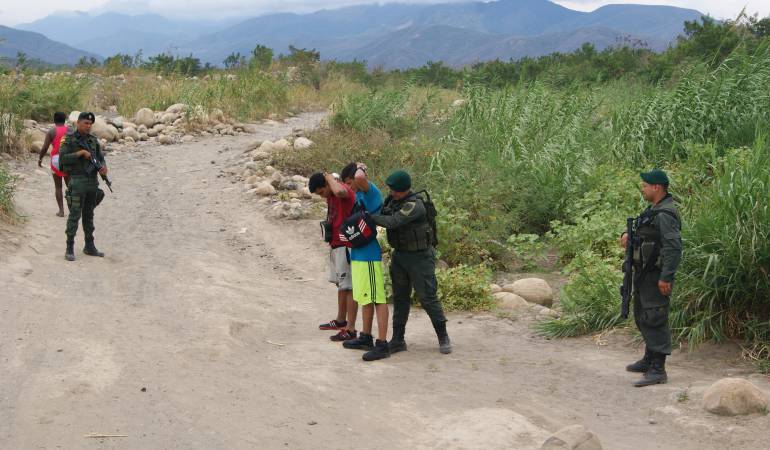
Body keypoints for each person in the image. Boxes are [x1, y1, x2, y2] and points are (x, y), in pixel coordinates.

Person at [369, 170, 451, 355]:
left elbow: (393, 221)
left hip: (420, 258)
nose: (391, 193)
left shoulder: (415, 205)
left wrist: (370, 217)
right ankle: (398, 340)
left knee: (428, 298)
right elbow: (384, 212)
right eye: (390, 190)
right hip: (400, 256)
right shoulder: (393, 200)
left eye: (394, 190)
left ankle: (443, 336)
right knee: (400, 299)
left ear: (404, 189)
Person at [620, 169, 682, 387]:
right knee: (643, 315)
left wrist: (666, 277)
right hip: (643, 274)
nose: (643, 188)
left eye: (645, 185)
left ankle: (658, 369)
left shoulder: (666, 213)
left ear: (656, 187)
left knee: (655, 317)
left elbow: (674, 248)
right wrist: (627, 235)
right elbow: (646, 232)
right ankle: (649, 359)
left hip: (656, 275)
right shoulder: (654, 209)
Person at [339, 162, 390, 361]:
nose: (350, 186)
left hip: (369, 256)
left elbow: (360, 178)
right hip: (359, 255)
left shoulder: (370, 191)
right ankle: (366, 337)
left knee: (378, 299)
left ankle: (382, 343)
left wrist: (361, 167)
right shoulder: (358, 195)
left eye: (350, 182)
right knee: (366, 298)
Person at [309, 171, 358, 341]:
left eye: (322, 192)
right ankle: (340, 320)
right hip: (336, 245)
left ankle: (350, 328)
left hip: (346, 246)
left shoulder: (341, 190)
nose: (322, 197)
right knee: (341, 285)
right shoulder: (330, 195)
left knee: (350, 287)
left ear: (327, 185)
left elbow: (339, 192)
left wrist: (328, 177)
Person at [58, 112, 109, 261]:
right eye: (85, 123)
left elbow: (100, 158)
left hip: (92, 182)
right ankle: (69, 247)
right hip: (77, 181)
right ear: (78, 123)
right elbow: (62, 159)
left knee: (89, 215)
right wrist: (79, 153)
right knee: (74, 215)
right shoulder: (69, 139)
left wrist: (103, 168)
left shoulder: (93, 141)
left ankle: (89, 246)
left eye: (90, 124)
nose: (88, 126)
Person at [37, 112, 70, 217]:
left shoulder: (51, 132)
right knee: (71, 186)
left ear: (54, 120)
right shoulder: (70, 130)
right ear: (64, 120)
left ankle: (61, 211)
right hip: (68, 159)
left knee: (58, 187)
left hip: (56, 159)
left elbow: (44, 148)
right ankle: (73, 209)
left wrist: (40, 159)